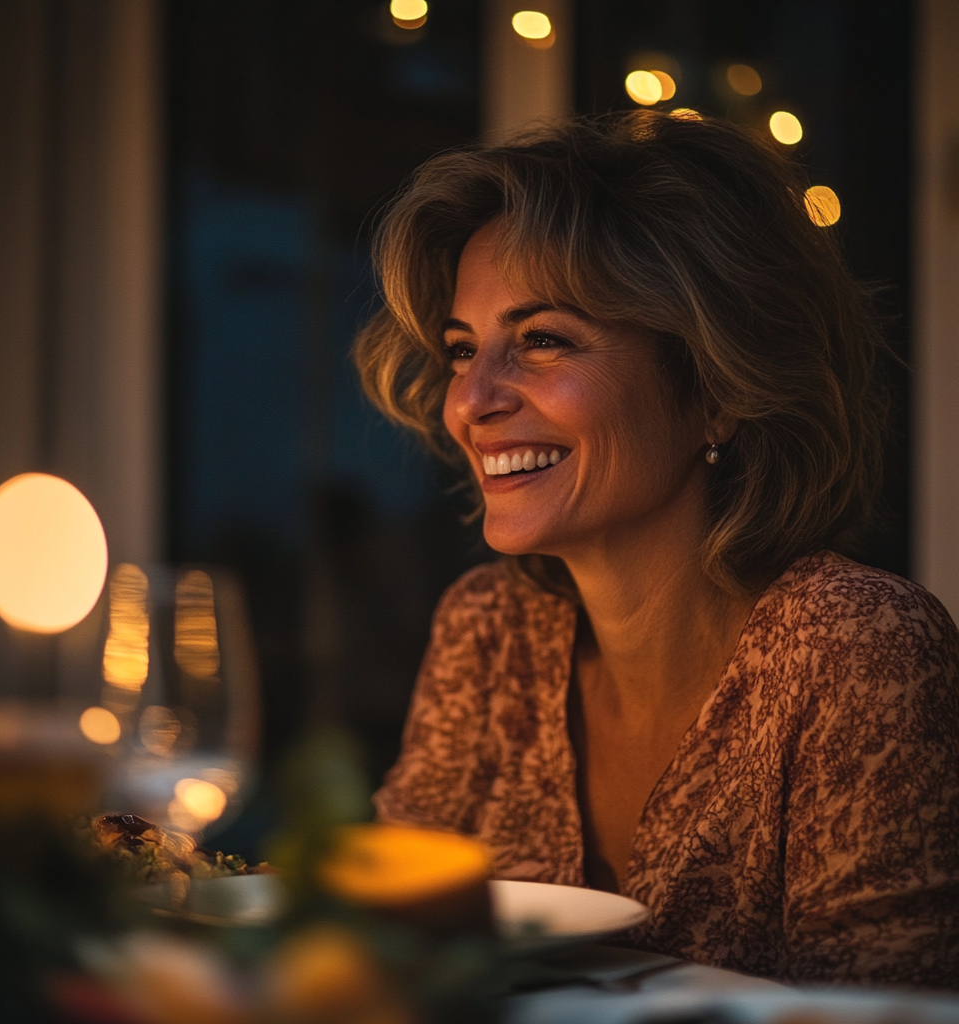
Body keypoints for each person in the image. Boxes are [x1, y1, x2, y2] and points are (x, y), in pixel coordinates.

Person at [351, 111, 959, 986]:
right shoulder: (490, 635)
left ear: (715, 387)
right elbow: (375, 955)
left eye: (542, 340)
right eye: (461, 351)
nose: (472, 401)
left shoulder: (851, 649)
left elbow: (881, 1014)